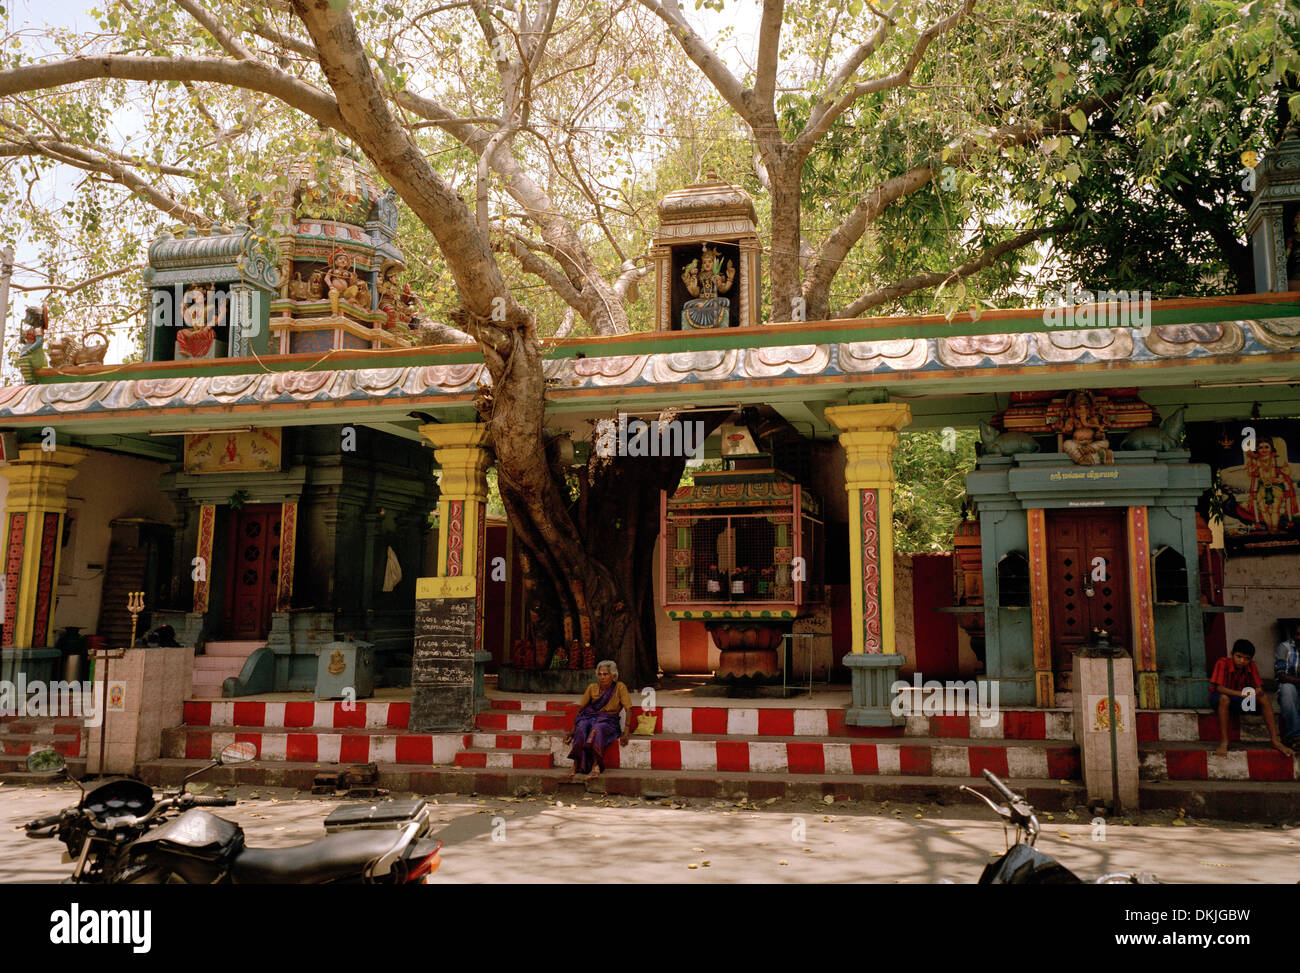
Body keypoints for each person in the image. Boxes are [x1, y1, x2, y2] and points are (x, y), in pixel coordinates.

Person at [1210, 639, 1292, 758]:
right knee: (1224, 698)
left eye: (1246, 659)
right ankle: (1224, 741)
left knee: (1263, 697)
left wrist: (1257, 691)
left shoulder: (1251, 666)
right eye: (1238, 656)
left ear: (1250, 659)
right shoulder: (1222, 663)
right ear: (1231, 654)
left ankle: (1275, 740)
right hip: (1220, 700)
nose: (1242, 661)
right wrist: (1241, 694)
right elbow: (1219, 688)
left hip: (1240, 701)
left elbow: (1259, 687)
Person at [563, 660, 631, 779]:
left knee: (597, 729)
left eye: (605, 674)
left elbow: (628, 708)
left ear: (613, 676)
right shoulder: (592, 688)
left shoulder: (620, 687)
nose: (602, 677)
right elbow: (581, 709)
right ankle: (575, 764)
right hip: (590, 718)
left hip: (609, 722)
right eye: (599, 674)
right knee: (582, 726)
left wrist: (626, 731)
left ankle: (596, 765)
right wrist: (572, 731)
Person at [1275, 622, 1300, 747]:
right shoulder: (1284, 647)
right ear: (1293, 635)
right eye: (1298, 634)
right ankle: (1295, 736)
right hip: (1291, 687)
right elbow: (1281, 676)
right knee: (1286, 688)